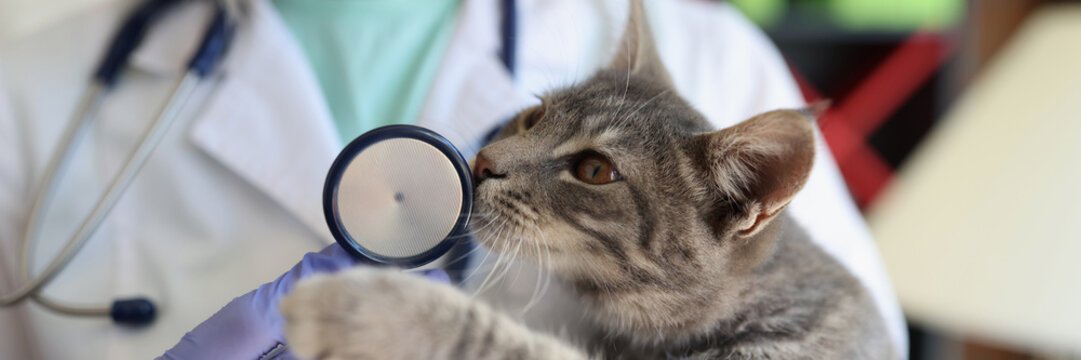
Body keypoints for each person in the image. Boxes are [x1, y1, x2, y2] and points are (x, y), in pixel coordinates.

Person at [0, 0, 907, 358]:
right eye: (523, 124)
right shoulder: (29, 92)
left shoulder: (707, 50)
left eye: (588, 164)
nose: (490, 164)